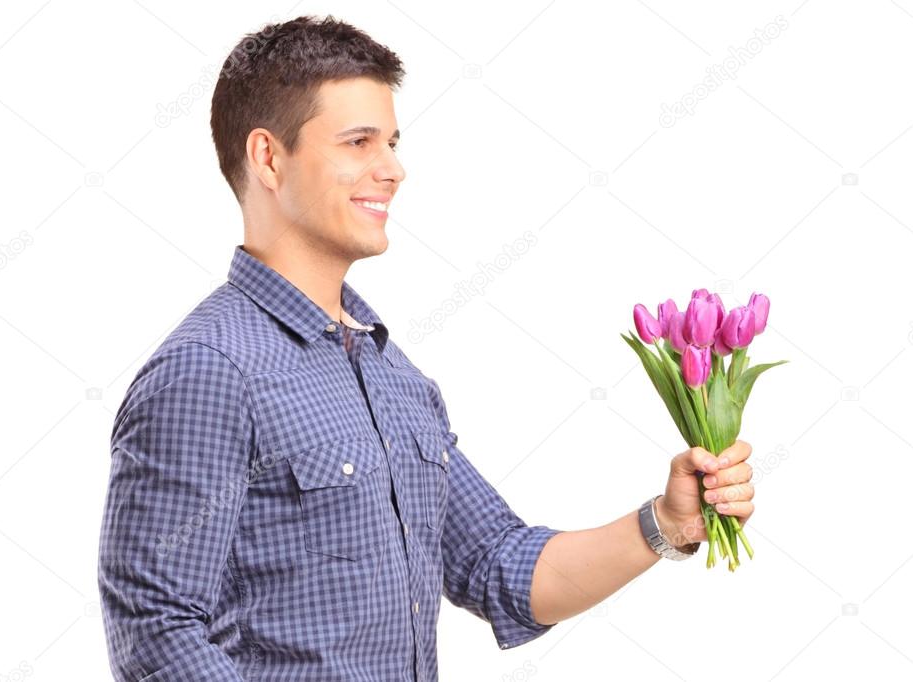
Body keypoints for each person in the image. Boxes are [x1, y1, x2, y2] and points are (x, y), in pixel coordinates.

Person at [97, 14, 756, 681]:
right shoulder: (207, 370)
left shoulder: (389, 374)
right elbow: (154, 632)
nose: (393, 170)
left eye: (390, 142)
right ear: (269, 157)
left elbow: (499, 566)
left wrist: (667, 521)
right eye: (359, 142)